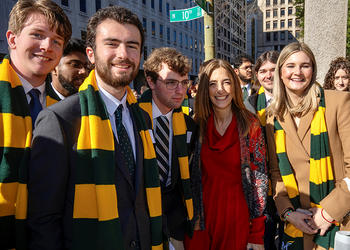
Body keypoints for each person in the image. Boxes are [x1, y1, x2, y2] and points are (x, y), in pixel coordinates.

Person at [27, 6, 163, 249]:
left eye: (132, 46)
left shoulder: (143, 118)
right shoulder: (59, 120)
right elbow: (43, 221)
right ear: (91, 54)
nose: (123, 54)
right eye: (112, 43)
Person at [0, 0, 71, 249]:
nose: (46, 47)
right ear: (12, 38)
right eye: (38, 35)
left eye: (57, 41)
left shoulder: (66, 109)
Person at [266, 42, 350, 250]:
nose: (297, 72)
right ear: (281, 71)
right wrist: (287, 212)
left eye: (305, 65)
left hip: (338, 222)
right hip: (297, 223)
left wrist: (328, 212)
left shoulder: (338, 102)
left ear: (313, 70)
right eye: (290, 66)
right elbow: (276, 174)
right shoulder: (271, 117)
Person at [185, 59, 268, 250]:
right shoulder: (196, 124)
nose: (220, 89)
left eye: (226, 82)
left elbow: (260, 179)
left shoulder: (250, 124)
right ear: (205, 89)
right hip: (200, 221)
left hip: (236, 219)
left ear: (235, 86)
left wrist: (256, 231)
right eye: (213, 84)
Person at [139, 47, 197, 250]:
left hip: (174, 218)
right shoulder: (133, 118)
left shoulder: (189, 125)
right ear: (151, 81)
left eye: (184, 83)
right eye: (171, 83)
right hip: (141, 217)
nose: (180, 91)